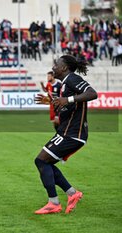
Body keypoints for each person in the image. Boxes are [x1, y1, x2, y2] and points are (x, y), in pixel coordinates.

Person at [34, 55, 98, 215]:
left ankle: (54, 203)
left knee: (41, 161)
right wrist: (53, 101)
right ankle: (71, 194)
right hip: (68, 131)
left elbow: (92, 93)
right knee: (44, 162)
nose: (53, 67)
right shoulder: (66, 83)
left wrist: (67, 99)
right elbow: (68, 105)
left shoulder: (72, 79)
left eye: (56, 64)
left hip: (73, 133)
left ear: (64, 68)